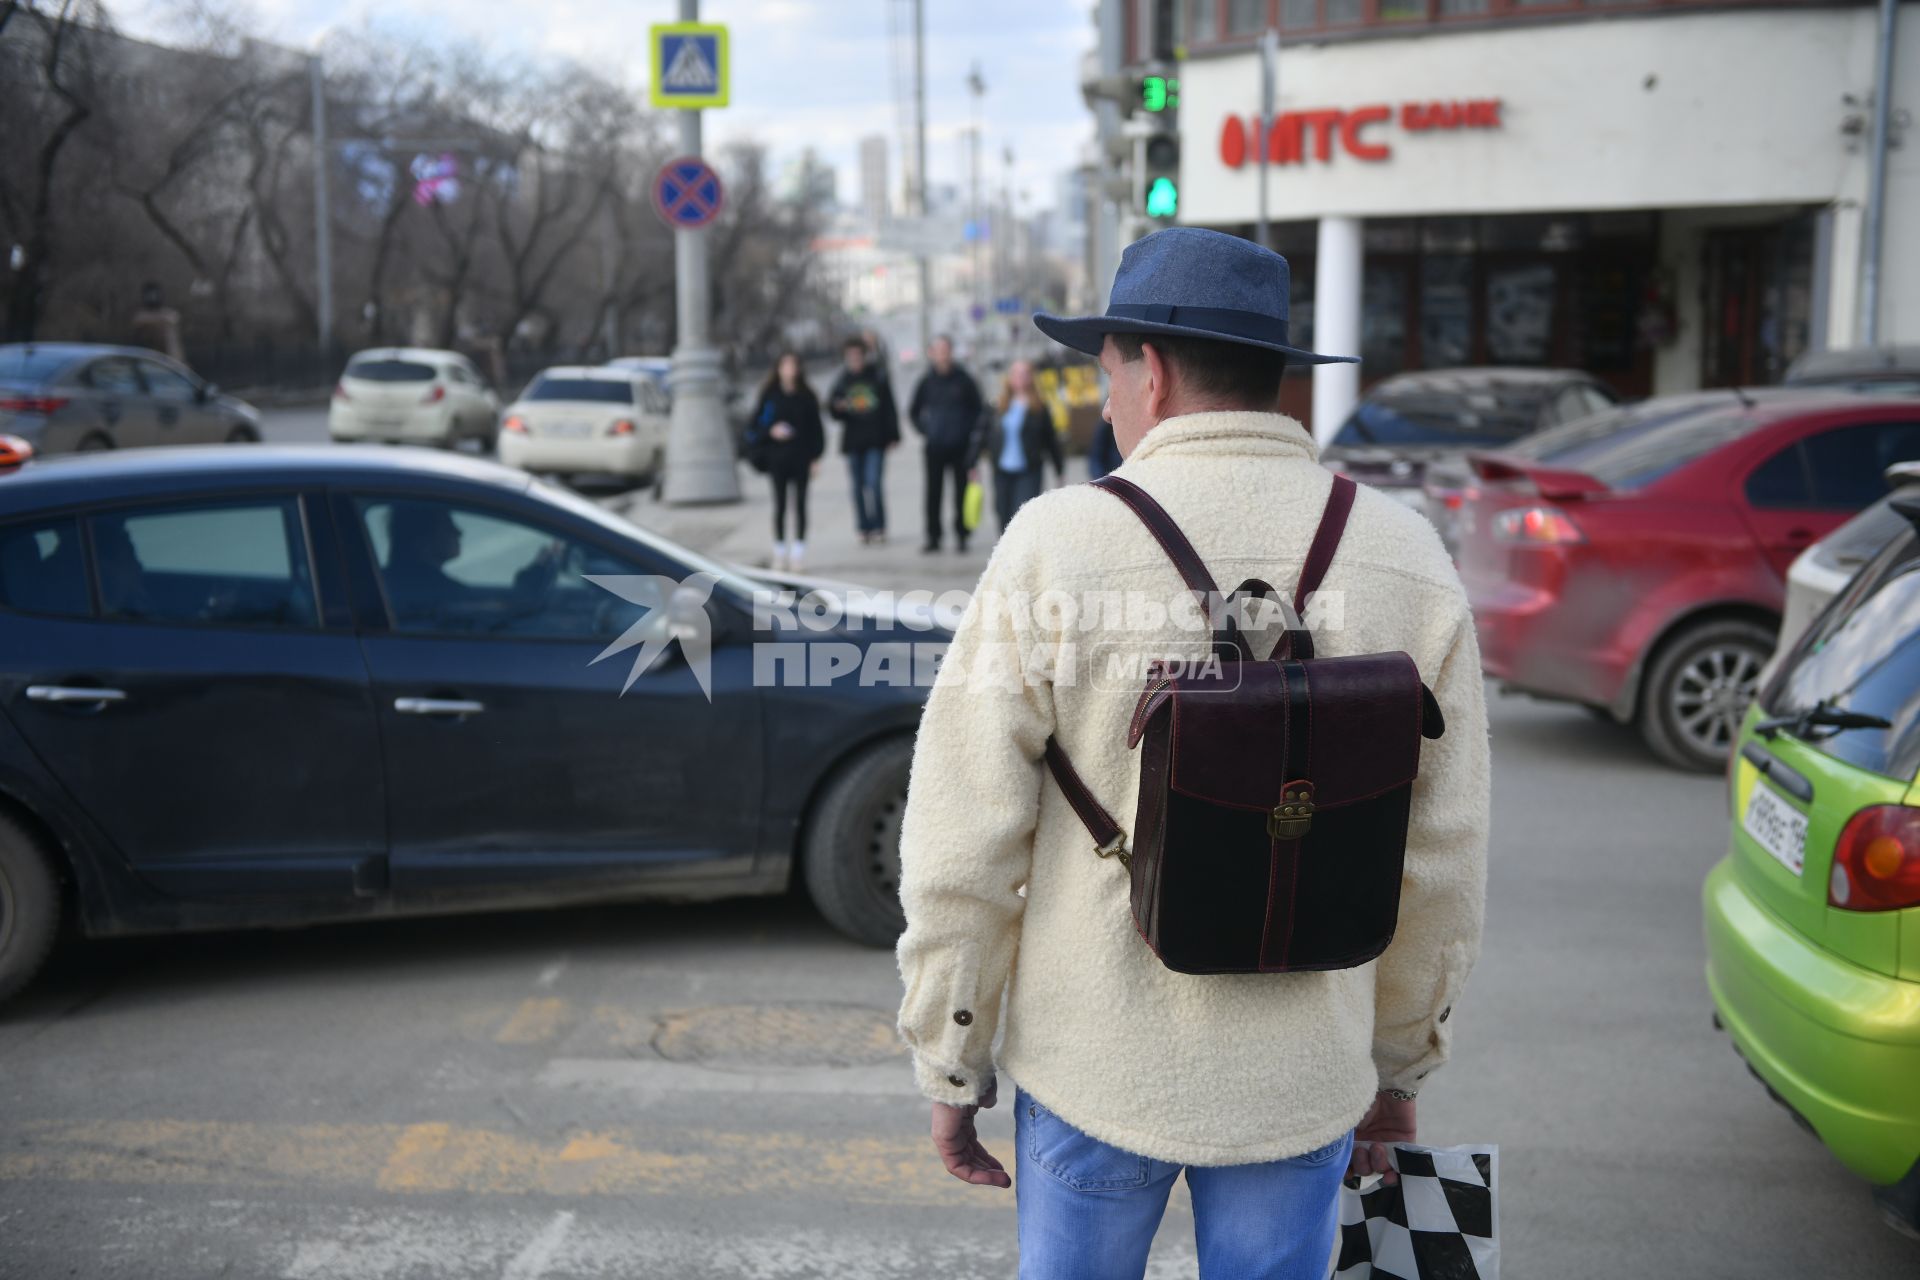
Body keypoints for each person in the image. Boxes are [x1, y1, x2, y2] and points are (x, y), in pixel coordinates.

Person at [893, 227, 1491, 1280]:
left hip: (1095, 1066)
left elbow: (964, 832)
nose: (1108, 397)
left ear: (1152, 373)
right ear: (1277, 381)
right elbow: (1441, 858)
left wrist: (952, 1050)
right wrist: (1398, 1065)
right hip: (1302, 1078)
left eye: (1107, 370)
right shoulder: (1406, 553)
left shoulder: (1056, 541)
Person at [748, 352, 825, 572]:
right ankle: (780, 553)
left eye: (794, 366)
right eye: (786, 365)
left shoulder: (807, 396)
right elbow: (755, 424)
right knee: (780, 505)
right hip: (777, 459)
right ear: (779, 369)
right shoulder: (770, 396)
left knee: (800, 505)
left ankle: (798, 554)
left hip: (801, 458)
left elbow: (816, 430)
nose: (790, 370)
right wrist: (772, 431)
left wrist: (816, 457)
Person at [907, 335, 985, 554]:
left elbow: (979, 410)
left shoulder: (964, 380)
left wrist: (972, 435)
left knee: (961, 492)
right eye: (938, 350)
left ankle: (962, 535)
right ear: (931, 353)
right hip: (935, 447)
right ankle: (933, 537)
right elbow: (913, 411)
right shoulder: (926, 381)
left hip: (961, 446)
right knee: (933, 493)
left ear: (951, 352)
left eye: (946, 350)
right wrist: (926, 430)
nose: (943, 355)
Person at [827, 337, 901, 544]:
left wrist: (894, 435)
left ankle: (879, 526)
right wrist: (838, 407)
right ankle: (863, 527)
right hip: (853, 441)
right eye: (850, 356)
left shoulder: (877, 376)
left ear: (864, 356)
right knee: (857, 487)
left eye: (858, 355)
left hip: (876, 439)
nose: (855, 360)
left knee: (874, 483)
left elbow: (889, 407)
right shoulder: (842, 380)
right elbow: (832, 409)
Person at [978, 359, 1063, 531]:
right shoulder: (998, 405)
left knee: (1022, 514)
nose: (1020, 378)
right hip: (1002, 470)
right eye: (1016, 374)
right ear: (1009, 378)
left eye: (1025, 374)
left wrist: (1059, 470)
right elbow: (982, 433)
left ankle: (1022, 555)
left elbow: (1051, 440)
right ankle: (1005, 554)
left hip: (1028, 470)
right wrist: (972, 462)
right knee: (1002, 514)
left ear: (1031, 378)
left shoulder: (1039, 408)